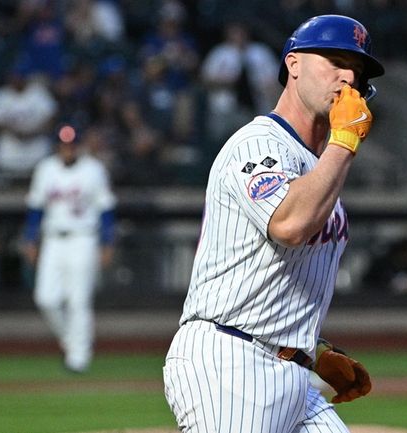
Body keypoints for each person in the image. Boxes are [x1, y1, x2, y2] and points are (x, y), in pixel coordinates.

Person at [162, 14, 384, 433]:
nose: (348, 76)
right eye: (334, 60)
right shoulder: (259, 145)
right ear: (293, 64)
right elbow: (290, 225)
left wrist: (312, 351)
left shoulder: (321, 164)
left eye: (357, 69)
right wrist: (345, 141)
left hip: (293, 376)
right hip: (231, 365)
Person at [22, 123, 116, 373]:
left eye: (72, 143)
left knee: (79, 300)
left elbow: (106, 209)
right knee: (45, 298)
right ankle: (73, 340)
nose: (68, 148)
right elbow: (35, 208)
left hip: (83, 238)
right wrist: (30, 239)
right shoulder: (46, 169)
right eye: (64, 144)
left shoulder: (93, 170)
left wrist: (107, 243)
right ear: (57, 146)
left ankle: (79, 357)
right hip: (53, 239)